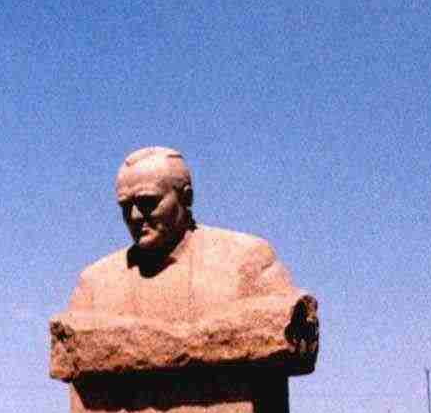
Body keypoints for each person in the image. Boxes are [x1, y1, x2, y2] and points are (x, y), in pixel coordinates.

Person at [49, 147, 318, 378]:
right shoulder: (96, 283)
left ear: (186, 197)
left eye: (147, 202)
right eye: (125, 206)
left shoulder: (245, 259)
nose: (135, 216)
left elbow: (290, 325)